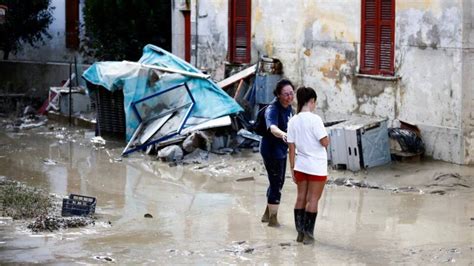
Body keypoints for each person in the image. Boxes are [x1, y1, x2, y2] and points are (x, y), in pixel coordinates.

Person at [287, 86, 329, 244]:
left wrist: (292, 168)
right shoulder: (315, 119)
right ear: (312, 101)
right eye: (315, 102)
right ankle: (309, 235)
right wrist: (327, 137)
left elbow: (291, 148)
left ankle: (300, 232)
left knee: (300, 198)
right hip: (316, 167)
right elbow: (324, 142)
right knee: (313, 200)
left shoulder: (293, 121)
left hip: (300, 166)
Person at [260, 78, 295, 227]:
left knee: (278, 182)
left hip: (281, 150)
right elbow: (272, 127)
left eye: (291, 93)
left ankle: (267, 214)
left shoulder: (289, 109)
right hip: (270, 150)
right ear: (278, 95)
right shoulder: (272, 109)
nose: (289, 97)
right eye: (286, 94)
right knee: (276, 183)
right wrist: (283, 134)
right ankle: (273, 220)